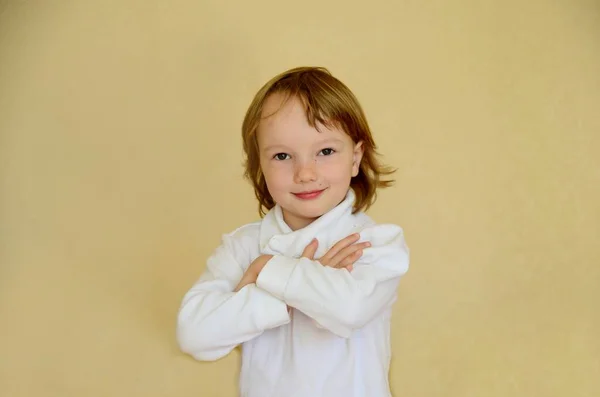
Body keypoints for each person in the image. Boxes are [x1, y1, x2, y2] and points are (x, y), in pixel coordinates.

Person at [176, 66, 410, 397]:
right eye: (283, 156)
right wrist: (282, 296)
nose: (305, 173)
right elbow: (195, 335)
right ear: (260, 164)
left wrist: (267, 269)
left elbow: (348, 310)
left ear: (355, 158)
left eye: (325, 151)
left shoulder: (376, 244)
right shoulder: (242, 247)